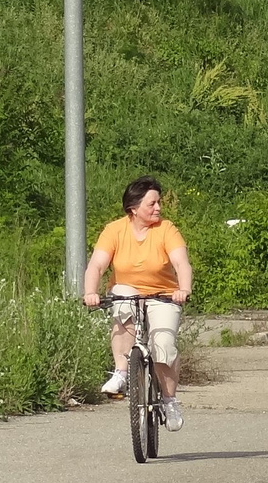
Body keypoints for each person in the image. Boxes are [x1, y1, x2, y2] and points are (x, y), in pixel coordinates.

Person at [82, 177, 193, 432]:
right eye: (152, 203)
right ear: (134, 208)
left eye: (159, 203)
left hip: (163, 295)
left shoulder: (166, 229)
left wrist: (183, 289)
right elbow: (97, 265)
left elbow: (181, 263)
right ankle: (121, 371)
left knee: (163, 344)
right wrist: (91, 292)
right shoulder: (114, 230)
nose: (158, 208)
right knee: (121, 299)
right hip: (129, 293)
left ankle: (169, 400)